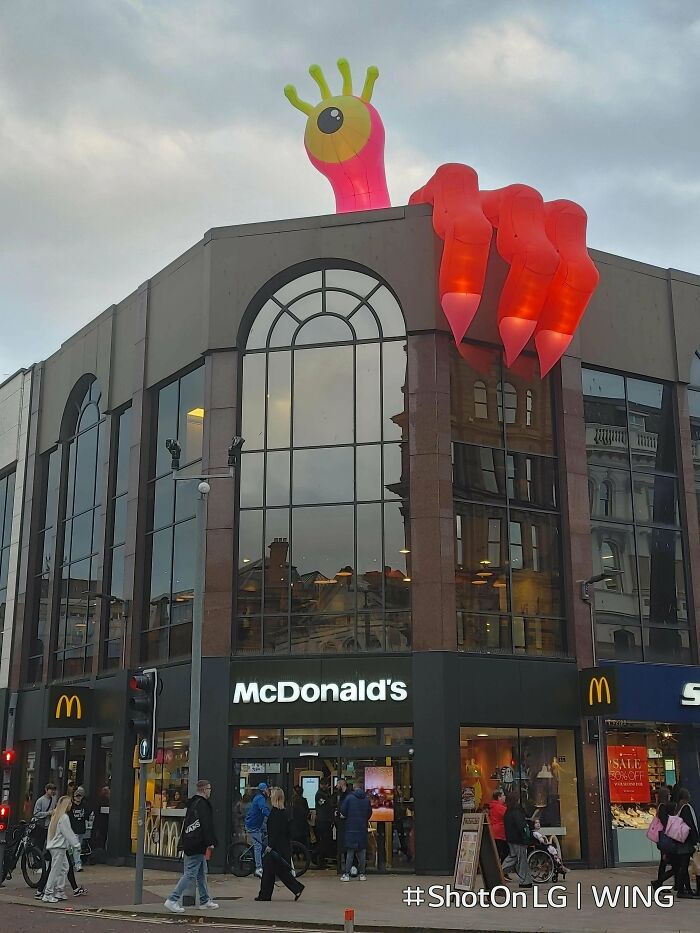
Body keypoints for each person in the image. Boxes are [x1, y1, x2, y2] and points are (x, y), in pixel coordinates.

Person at [164, 779, 220, 913]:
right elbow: (206, 825)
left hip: (191, 841)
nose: (210, 791)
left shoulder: (193, 803)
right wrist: (210, 842)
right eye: (209, 789)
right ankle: (172, 899)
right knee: (190, 873)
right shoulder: (203, 805)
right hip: (197, 843)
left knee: (201, 873)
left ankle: (205, 900)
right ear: (204, 789)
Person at [255, 787, 304, 902]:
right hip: (282, 847)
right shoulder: (283, 812)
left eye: (271, 794)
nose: (270, 796)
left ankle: (265, 895)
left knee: (270, 871)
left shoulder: (276, 813)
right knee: (276, 871)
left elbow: (276, 832)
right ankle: (296, 888)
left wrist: (270, 846)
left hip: (276, 848)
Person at [42, 796, 81, 903]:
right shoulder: (63, 817)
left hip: (56, 847)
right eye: (69, 804)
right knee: (56, 870)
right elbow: (68, 833)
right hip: (58, 848)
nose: (71, 806)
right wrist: (76, 845)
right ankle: (48, 893)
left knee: (64, 867)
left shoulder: (56, 816)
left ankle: (59, 891)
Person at [340, 784, 372, 882]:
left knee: (350, 852)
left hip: (351, 828)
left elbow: (343, 811)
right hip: (362, 828)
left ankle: (346, 874)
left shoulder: (349, 798)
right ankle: (362, 874)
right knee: (362, 852)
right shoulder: (366, 799)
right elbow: (369, 813)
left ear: (354, 788)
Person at [502, 792, 534, 888]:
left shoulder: (508, 811)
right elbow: (521, 826)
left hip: (511, 838)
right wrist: (526, 835)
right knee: (521, 860)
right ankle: (525, 881)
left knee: (513, 857)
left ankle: (499, 871)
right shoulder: (516, 811)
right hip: (518, 839)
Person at [671, 788, 699, 898]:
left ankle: (685, 889)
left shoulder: (678, 808)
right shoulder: (686, 808)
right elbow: (690, 825)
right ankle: (681, 890)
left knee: (683, 865)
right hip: (685, 842)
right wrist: (695, 840)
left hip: (679, 840)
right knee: (684, 866)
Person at [245, 782, 271, 878]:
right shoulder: (260, 798)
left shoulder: (259, 797)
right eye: (268, 789)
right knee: (258, 846)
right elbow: (263, 809)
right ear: (264, 790)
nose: (269, 791)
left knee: (265, 837)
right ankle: (258, 869)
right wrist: (271, 817)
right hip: (253, 825)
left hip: (258, 824)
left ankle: (261, 856)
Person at [651, 786, 675, 889]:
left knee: (664, 863)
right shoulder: (663, 807)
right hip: (665, 837)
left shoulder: (660, 806)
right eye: (668, 794)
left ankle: (659, 883)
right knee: (670, 863)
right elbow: (665, 823)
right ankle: (658, 882)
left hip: (663, 837)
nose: (670, 796)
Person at [68, 786, 91, 871]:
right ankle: (77, 864)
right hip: (72, 830)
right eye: (76, 796)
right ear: (73, 797)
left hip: (81, 829)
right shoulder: (70, 806)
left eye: (80, 796)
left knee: (76, 847)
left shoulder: (85, 805)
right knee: (76, 848)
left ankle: (72, 862)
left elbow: (88, 816)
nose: (78, 798)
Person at [314, 779, 334, 870]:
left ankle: (320, 859)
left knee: (325, 841)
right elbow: (325, 805)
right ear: (322, 785)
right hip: (322, 821)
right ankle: (316, 856)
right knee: (324, 841)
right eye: (326, 785)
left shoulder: (324, 794)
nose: (327, 787)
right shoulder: (319, 795)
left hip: (325, 820)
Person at [484, 789, 508, 862]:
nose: (505, 797)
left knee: (496, 851)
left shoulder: (492, 806)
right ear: (499, 797)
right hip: (500, 832)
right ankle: (502, 869)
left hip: (493, 831)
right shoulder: (500, 808)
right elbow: (508, 817)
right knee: (504, 852)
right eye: (503, 795)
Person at [33, 783, 57, 847]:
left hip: (50, 825)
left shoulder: (54, 799)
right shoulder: (40, 800)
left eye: (54, 790)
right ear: (46, 790)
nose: (53, 791)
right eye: (51, 790)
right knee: (39, 843)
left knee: (51, 844)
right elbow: (35, 813)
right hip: (41, 825)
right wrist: (48, 813)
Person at [290, 785, 310, 850]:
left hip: (295, 826)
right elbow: (307, 812)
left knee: (295, 843)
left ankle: (296, 855)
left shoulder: (292, 802)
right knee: (303, 842)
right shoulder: (304, 801)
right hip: (303, 826)